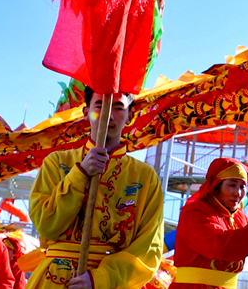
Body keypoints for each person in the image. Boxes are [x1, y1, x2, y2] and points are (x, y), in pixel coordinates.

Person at [28, 89, 164, 289]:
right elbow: (46, 225)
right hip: (52, 279)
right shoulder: (56, 162)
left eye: (118, 107)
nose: (108, 115)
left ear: (130, 116)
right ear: (86, 113)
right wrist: (80, 173)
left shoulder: (145, 177)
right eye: (100, 106)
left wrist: (99, 279)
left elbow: (149, 249)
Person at [171, 158, 248, 289]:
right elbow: (219, 247)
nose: (238, 193)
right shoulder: (196, 212)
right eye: (232, 185)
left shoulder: (239, 216)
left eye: (243, 186)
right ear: (216, 185)